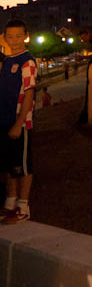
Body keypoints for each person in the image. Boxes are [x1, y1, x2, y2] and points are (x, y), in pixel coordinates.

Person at [0, 19, 36, 224]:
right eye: (10, 36)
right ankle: (10, 201)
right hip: (4, 120)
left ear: (26, 36)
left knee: (23, 166)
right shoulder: (7, 62)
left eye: (18, 36)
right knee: (8, 164)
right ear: (5, 38)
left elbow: (29, 94)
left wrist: (19, 122)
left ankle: (23, 206)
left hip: (20, 123)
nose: (14, 40)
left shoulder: (27, 62)